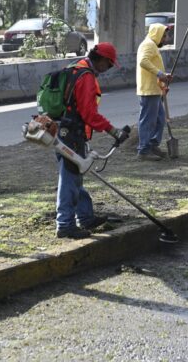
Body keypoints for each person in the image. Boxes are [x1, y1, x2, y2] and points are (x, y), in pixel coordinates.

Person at [55, 42, 129, 239]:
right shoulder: (86, 77)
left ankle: (86, 217)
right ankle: (65, 224)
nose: (109, 69)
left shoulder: (76, 67)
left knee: (76, 176)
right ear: (103, 60)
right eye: (110, 64)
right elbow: (89, 114)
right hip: (72, 134)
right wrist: (113, 131)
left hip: (62, 129)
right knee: (70, 179)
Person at [136, 23, 173, 161]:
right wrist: (159, 74)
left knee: (159, 120)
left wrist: (164, 75)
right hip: (148, 90)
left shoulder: (151, 45)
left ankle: (152, 145)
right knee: (148, 121)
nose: (165, 39)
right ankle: (143, 150)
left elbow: (152, 65)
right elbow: (143, 62)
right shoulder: (148, 45)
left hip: (155, 89)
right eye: (163, 36)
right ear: (156, 34)